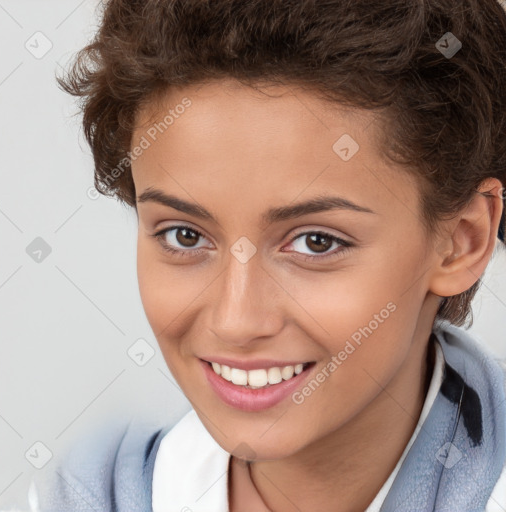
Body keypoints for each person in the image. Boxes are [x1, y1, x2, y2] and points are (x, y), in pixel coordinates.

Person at [35, 0, 506, 510]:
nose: (236, 322)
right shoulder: (80, 492)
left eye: (316, 242)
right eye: (185, 236)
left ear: (463, 241)